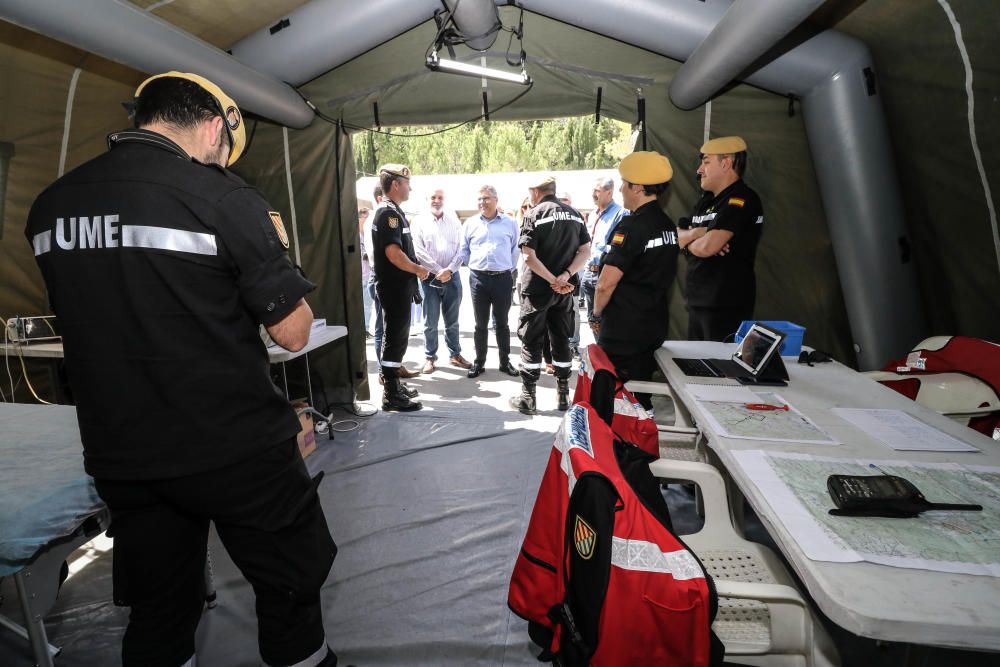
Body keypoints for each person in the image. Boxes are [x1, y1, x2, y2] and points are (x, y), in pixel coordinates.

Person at [24, 72, 339, 667]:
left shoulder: (52, 205)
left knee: (160, 604)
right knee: (290, 582)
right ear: (215, 127)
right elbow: (293, 332)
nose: (222, 162)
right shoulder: (223, 199)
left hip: (124, 448)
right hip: (231, 442)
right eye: (225, 151)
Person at [590, 151, 679, 409]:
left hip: (623, 332)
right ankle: (640, 441)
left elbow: (606, 283)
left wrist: (596, 314)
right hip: (652, 327)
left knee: (615, 399)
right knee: (640, 396)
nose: (620, 189)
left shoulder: (631, 227)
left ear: (638, 187)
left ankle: (621, 447)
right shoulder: (666, 224)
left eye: (625, 183)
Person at [513, 176, 591, 415]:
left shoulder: (534, 214)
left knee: (532, 340)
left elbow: (529, 257)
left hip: (538, 290)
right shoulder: (575, 214)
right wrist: (565, 276)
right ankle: (563, 395)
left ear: (536, 191)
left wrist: (551, 280)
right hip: (564, 292)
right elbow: (585, 251)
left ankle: (528, 397)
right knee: (561, 339)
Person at [678, 135, 764, 342]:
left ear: (726, 163)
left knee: (718, 370)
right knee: (695, 368)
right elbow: (676, 237)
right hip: (698, 302)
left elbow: (708, 247)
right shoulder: (704, 201)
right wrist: (699, 234)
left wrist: (691, 242)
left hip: (725, 305)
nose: (699, 170)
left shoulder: (741, 199)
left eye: (706, 162)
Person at [371, 163, 429, 410]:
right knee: (395, 338)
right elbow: (394, 254)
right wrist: (418, 269)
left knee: (398, 337)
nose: (410, 188)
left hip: (398, 286)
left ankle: (394, 385)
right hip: (394, 287)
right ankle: (391, 395)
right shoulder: (389, 215)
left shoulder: (392, 211)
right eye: (407, 183)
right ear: (396, 184)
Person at [459, 184, 520, 379]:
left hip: (502, 278)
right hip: (478, 279)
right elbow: (464, 250)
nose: (482, 202)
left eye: (486, 198)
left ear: (495, 200)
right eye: (479, 199)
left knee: (502, 322)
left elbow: (515, 249)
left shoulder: (510, 223)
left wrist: (507, 268)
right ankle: (479, 362)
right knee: (480, 324)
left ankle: (504, 362)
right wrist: (474, 265)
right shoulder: (470, 223)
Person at [410, 188, 471, 373]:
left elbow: (462, 249)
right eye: (433, 197)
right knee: (430, 322)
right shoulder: (419, 221)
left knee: (452, 321)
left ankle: (455, 354)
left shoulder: (454, 222)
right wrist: (438, 270)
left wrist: (449, 270)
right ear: (427, 199)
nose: (437, 200)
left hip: (452, 278)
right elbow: (418, 251)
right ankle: (430, 357)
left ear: (445, 200)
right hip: (429, 279)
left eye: (440, 198)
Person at [581, 177, 627, 319]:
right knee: (593, 321)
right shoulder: (594, 214)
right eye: (593, 190)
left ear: (609, 192)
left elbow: (620, 248)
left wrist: (601, 248)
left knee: (606, 320)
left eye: (597, 191)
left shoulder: (621, 213)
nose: (593, 194)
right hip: (589, 273)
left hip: (604, 273)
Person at [358, 202, 374, 337]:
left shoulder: (369, 236)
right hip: (358, 276)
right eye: (366, 218)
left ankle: (366, 329)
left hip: (368, 275)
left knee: (368, 305)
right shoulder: (354, 235)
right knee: (360, 305)